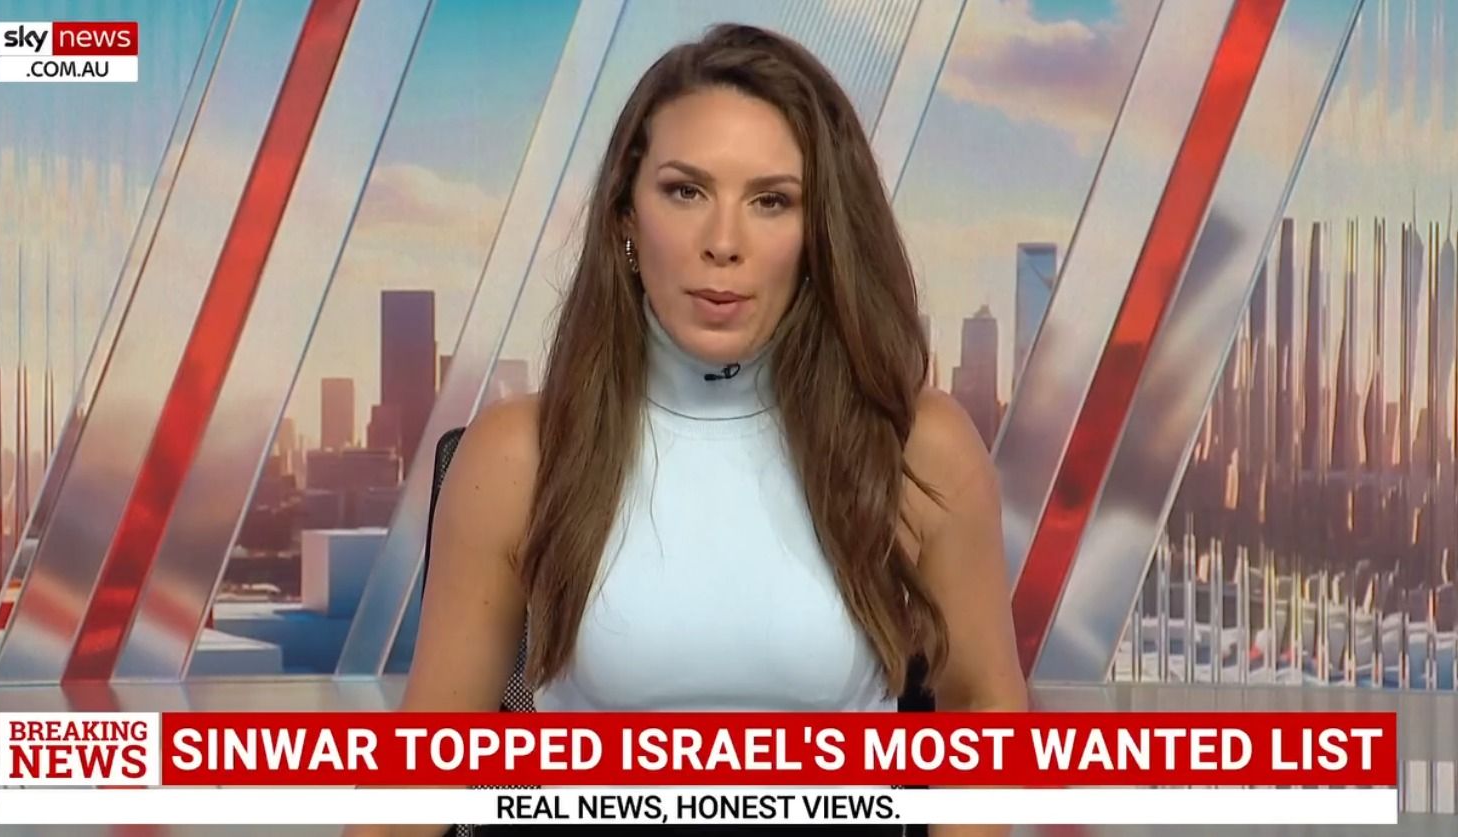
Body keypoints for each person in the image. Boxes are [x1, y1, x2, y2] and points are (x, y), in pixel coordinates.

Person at [355, 22, 1026, 837]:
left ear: (819, 232)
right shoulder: (518, 456)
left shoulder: (917, 447)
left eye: (771, 201)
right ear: (625, 217)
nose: (723, 244)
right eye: (685, 192)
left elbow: (985, 712)